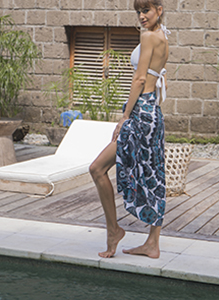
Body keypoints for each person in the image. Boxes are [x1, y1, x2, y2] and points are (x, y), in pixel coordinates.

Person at [89, 0, 169, 259]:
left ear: (159, 9)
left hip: (141, 111)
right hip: (153, 112)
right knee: (155, 174)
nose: (141, 16)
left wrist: (125, 116)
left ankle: (114, 231)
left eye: (146, 10)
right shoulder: (162, 36)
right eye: (138, 12)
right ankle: (152, 243)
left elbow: (140, 78)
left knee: (97, 168)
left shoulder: (148, 36)